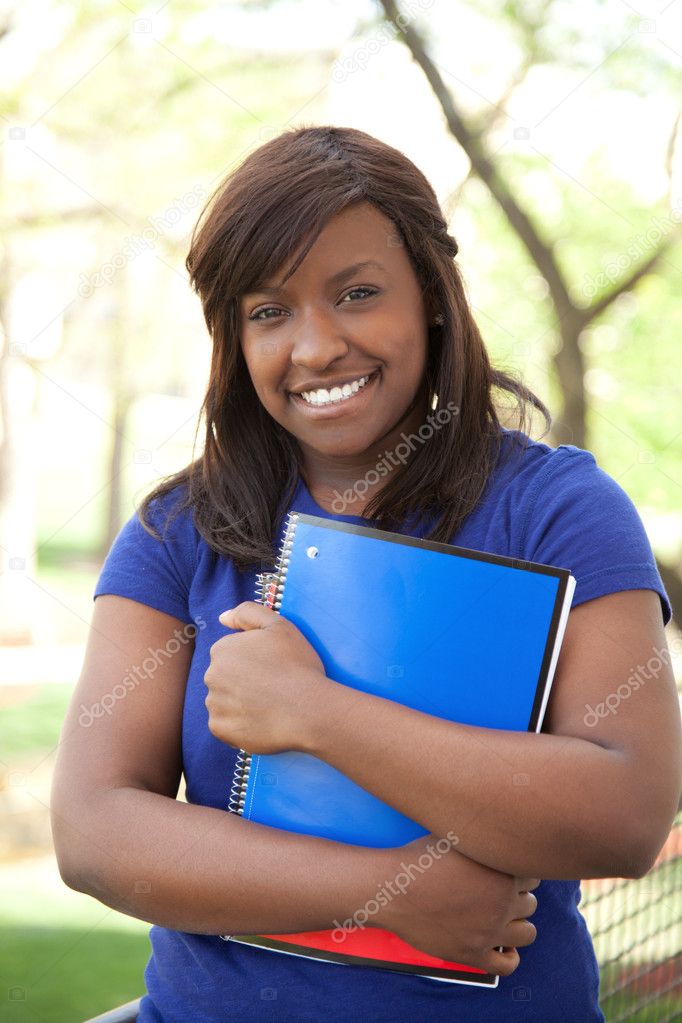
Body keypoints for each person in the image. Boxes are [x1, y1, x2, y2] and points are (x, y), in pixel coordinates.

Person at [51, 125, 681, 1023]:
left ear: (430, 292)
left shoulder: (557, 510)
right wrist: (387, 891)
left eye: (356, 293)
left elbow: (626, 812)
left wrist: (317, 713)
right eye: (269, 311)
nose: (315, 348)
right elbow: (93, 829)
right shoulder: (179, 530)